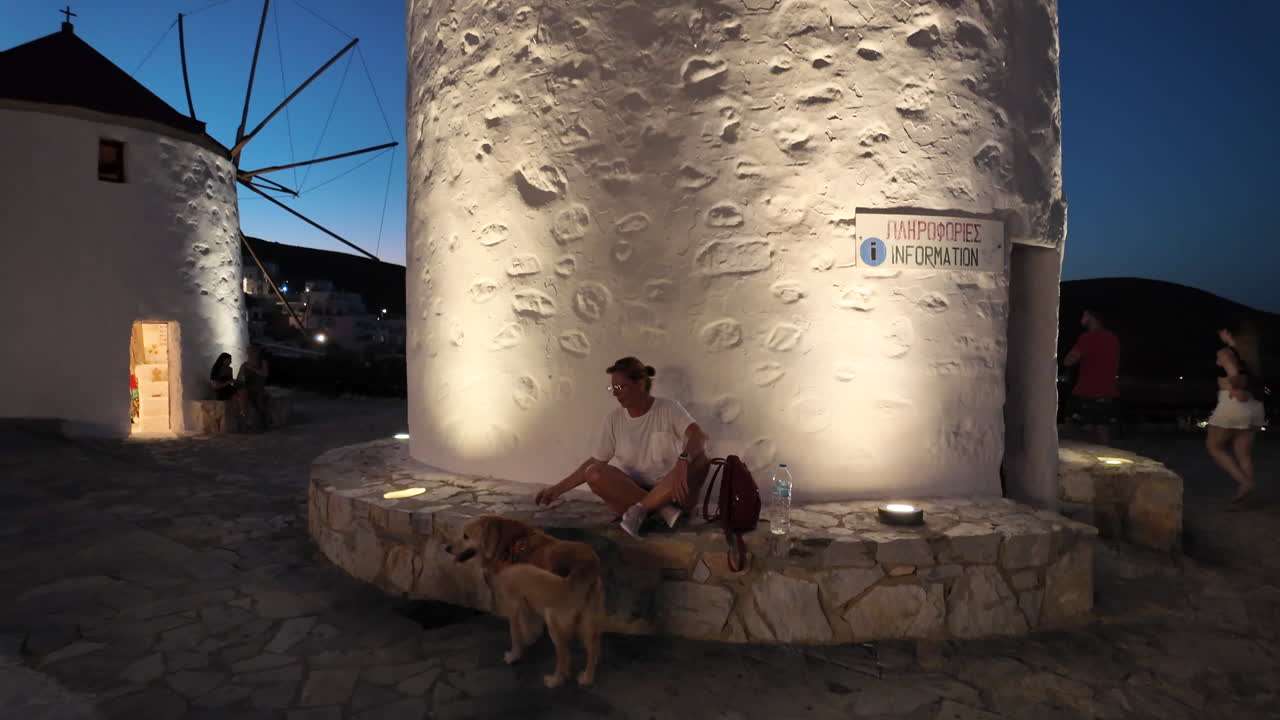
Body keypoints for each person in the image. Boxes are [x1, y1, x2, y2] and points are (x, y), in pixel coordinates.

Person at [534, 356, 711, 538]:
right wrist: (557, 490)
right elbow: (595, 461)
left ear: (640, 384)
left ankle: (648, 508)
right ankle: (660, 510)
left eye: (620, 387)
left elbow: (699, 436)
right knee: (593, 472)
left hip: (670, 492)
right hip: (630, 493)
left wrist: (683, 461)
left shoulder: (668, 408)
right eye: (613, 388)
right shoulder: (614, 419)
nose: (615, 393)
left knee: (702, 460)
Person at [1205, 319, 1266, 503]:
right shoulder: (1251, 356)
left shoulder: (1225, 352)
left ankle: (1245, 483)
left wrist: (1232, 387)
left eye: (1222, 332)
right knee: (1243, 453)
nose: (1220, 335)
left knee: (1214, 446)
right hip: (1253, 408)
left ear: (1228, 334)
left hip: (1233, 406)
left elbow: (1234, 376)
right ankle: (1246, 494)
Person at [1063, 308, 1121, 445]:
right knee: (1102, 427)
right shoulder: (1112, 338)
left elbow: (1068, 361)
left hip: (1086, 390)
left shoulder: (1087, 338)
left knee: (1069, 425)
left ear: (1092, 318)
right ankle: (1104, 458)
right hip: (1108, 391)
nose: (1082, 318)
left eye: (1085, 315)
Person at [237, 345, 272, 429]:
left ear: (257, 353)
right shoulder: (245, 364)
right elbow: (239, 377)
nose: (250, 354)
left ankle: (263, 420)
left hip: (258, 387)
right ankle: (244, 416)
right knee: (242, 392)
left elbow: (264, 374)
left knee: (260, 399)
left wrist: (252, 369)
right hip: (248, 386)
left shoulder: (262, 362)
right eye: (248, 352)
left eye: (251, 352)